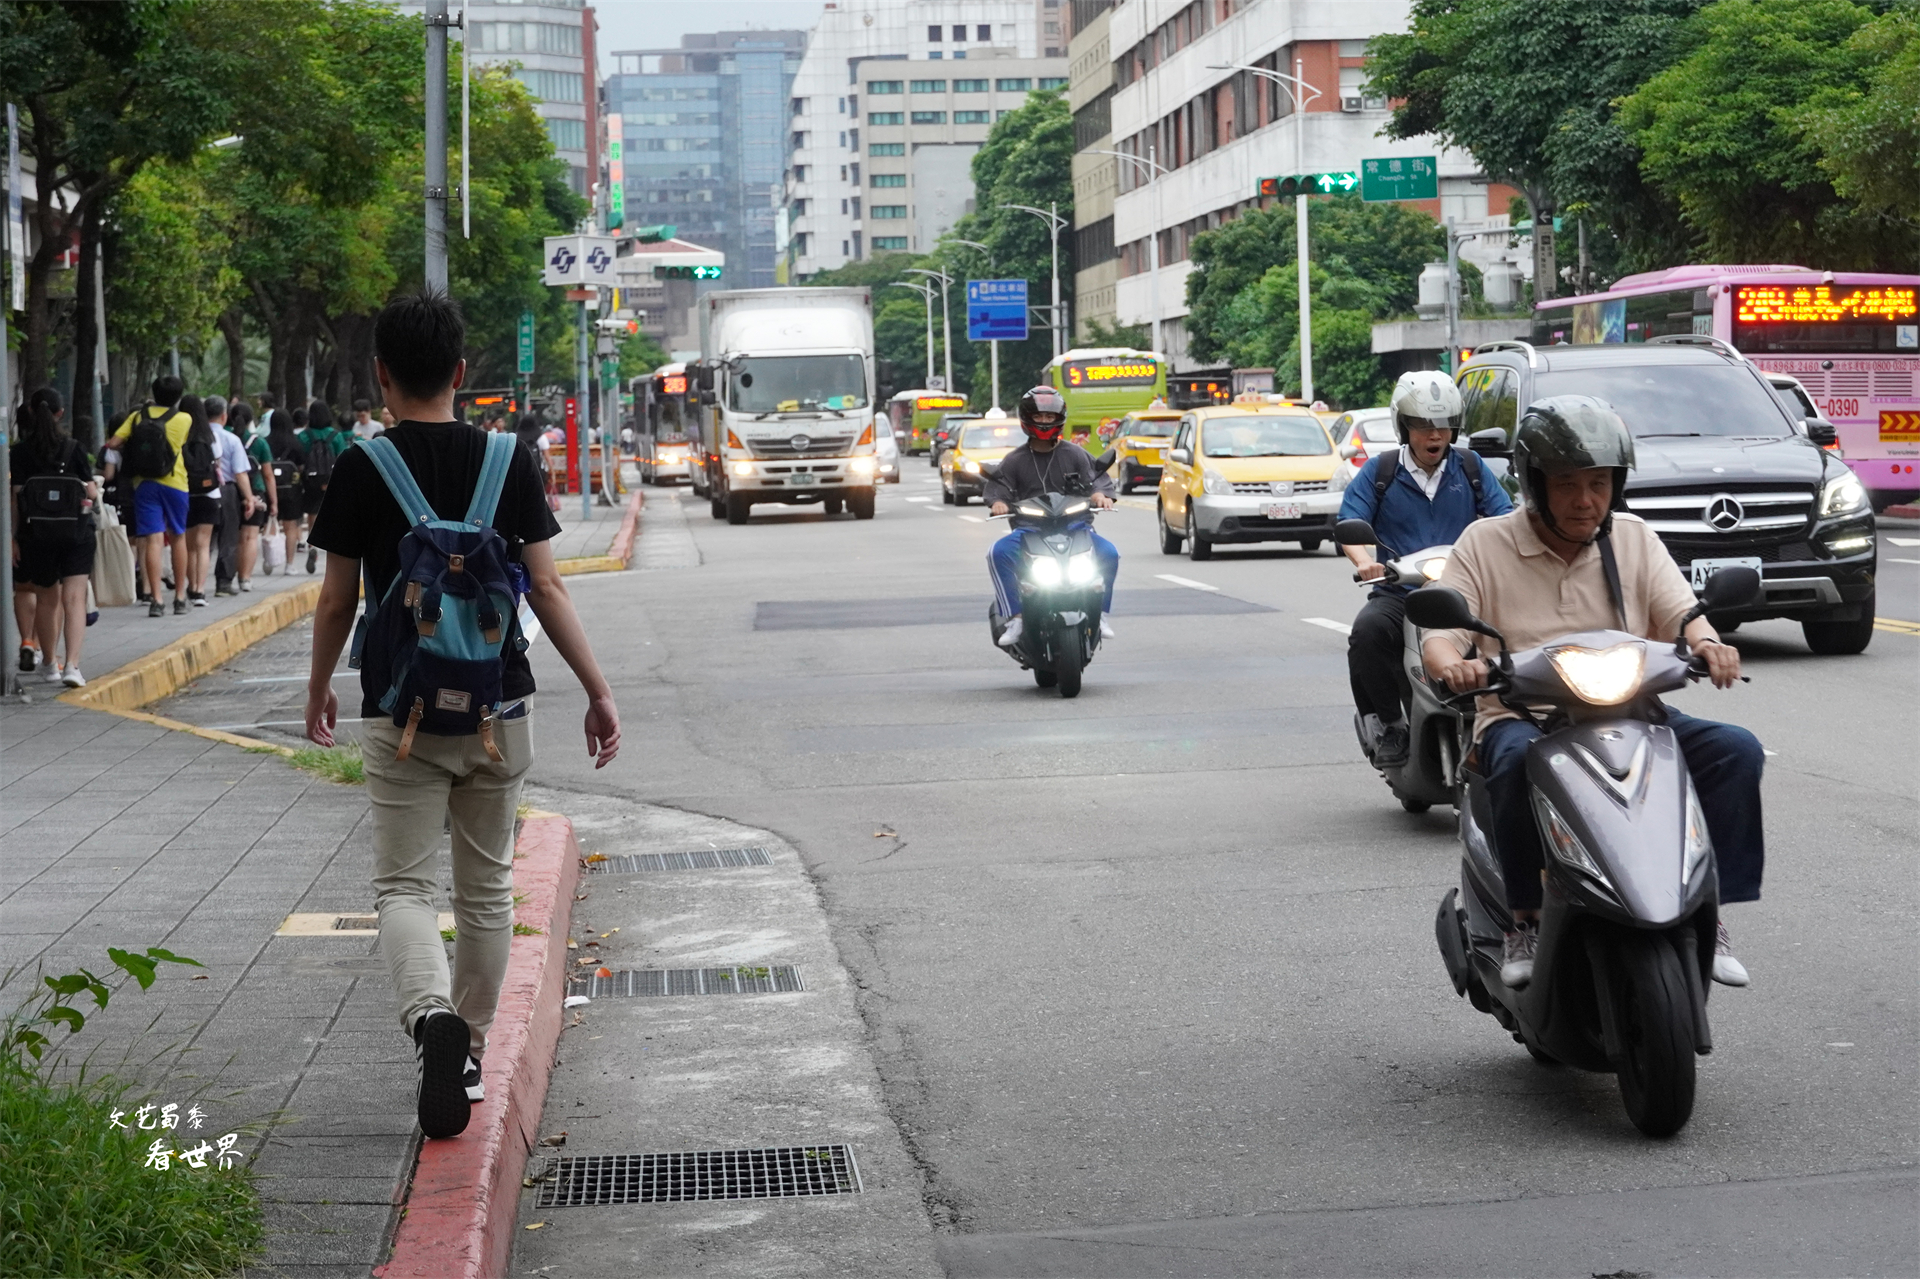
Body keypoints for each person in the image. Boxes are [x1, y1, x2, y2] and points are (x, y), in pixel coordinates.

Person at [303, 291, 620, 1140]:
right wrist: (597, 689)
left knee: (404, 884)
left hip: (397, 710)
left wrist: (319, 685)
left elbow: (338, 600)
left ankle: (427, 1018)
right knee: (485, 891)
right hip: (497, 706)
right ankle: (469, 1050)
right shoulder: (508, 459)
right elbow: (547, 586)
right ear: (459, 372)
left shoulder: (363, 466)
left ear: (380, 374)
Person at [1420, 396, 1763, 991]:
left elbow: (1683, 614)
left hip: (1629, 706)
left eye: (1599, 484)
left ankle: (1713, 911)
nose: (1586, 500)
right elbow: (1441, 637)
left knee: (1736, 751)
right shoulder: (1484, 542)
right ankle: (1524, 920)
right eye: (1568, 485)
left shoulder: (1631, 537)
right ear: (1534, 484)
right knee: (1511, 761)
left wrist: (1710, 644)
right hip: (1521, 711)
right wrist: (1454, 664)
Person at [1338, 371, 1512, 766]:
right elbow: (1350, 523)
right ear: (1404, 426)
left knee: (1513, 635)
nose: (1434, 435)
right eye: (1422, 425)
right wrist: (1365, 562)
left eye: (1444, 425)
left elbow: (1505, 522)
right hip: (1400, 593)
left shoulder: (1470, 467)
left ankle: (1508, 718)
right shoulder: (1380, 472)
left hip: (1462, 593)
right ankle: (1388, 724)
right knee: (1367, 634)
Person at [983, 386, 1120, 651]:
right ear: (1027, 418)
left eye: (1049, 416)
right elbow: (998, 488)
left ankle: (1100, 613)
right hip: (1030, 530)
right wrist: (998, 503)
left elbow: (1098, 480)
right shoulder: (1014, 460)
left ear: (1059, 418)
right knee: (996, 553)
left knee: (1110, 553)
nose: (1045, 421)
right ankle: (1016, 617)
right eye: (1039, 416)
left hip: (1075, 527)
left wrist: (1102, 496)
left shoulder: (1076, 454)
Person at [10, 388, 98, 686]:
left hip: (36, 535)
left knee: (48, 598)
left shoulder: (19, 452)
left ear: (32, 413)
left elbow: (15, 500)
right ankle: (72, 665)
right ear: (61, 413)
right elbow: (90, 491)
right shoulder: (74, 447)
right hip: (76, 533)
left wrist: (12, 538)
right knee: (75, 597)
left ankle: (49, 662)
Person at [106, 374, 193, 618]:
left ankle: (155, 600)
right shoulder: (184, 418)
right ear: (178, 395)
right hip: (175, 483)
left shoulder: (136, 416)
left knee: (153, 540)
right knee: (178, 537)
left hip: (144, 483)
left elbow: (113, 443)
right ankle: (179, 597)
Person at [206, 395, 255, 596]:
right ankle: (224, 583)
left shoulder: (194, 437)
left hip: (198, 491)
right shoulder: (232, 439)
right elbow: (240, 473)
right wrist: (249, 498)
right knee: (228, 536)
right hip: (226, 491)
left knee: (199, 540)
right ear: (224, 416)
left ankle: (193, 584)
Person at [177, 395, 223, 608]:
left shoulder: (179, 432)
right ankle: (200, 590)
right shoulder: (210, 435)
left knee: (187, 545)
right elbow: (218, 461)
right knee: (203, 546)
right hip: (209, 494)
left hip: (185, 493)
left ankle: (189, 586)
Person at [299, 400, 349, 574]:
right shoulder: (335, 435)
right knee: (332, 515)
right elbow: (343, 458)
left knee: (313, 513)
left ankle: (312, 544)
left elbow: (300, 459)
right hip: (331, 480)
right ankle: (330, 549)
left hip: (311, 481)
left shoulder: (305, 435)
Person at [232, 402, 274, 590]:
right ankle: (245, 579)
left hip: (230, 490)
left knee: (234, 536)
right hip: (255, 491)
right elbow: (268, 474)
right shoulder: (259, 442)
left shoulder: (225, 437)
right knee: (250, 537)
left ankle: (228, 578)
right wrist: (273, 501)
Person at [266, 407, 308, 575]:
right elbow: (301, 465)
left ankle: (269, 561)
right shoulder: (295, 442)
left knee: (269, 525)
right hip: (291, 490)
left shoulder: (265, 441)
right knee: (290, 527)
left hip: (271, 489)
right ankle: (289, 564)